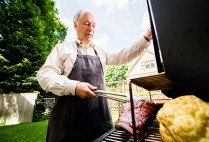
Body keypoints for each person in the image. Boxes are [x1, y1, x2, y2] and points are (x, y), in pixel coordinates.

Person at [36, 10, 152, 142]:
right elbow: (44, 75)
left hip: (100, 124)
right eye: (86, 24)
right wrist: (74, 87)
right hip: (69, 128)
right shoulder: (63, 49)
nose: (91, 28)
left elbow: (124, 55)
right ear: (75, 25)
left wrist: (146, 39)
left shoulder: (101, 52)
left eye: (93, 25)